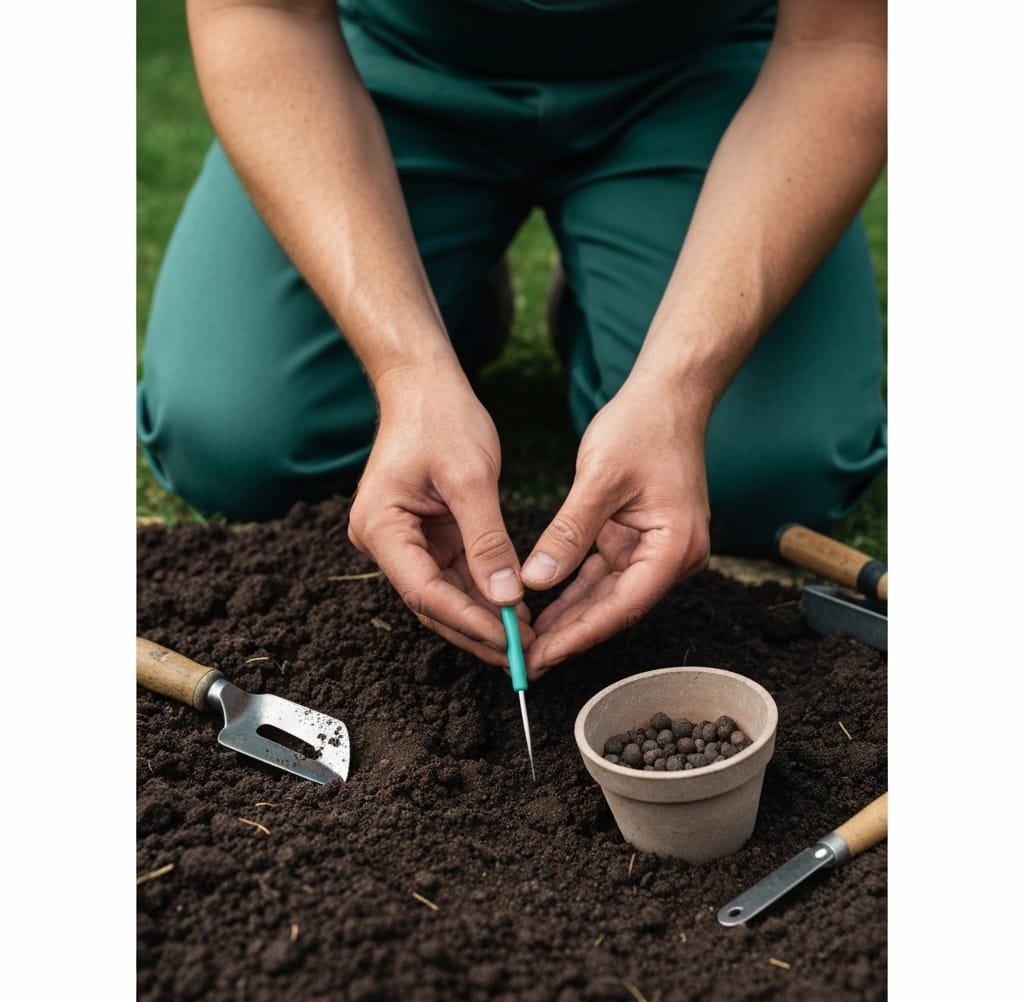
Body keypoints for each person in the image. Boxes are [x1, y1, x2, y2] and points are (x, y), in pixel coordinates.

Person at [137, 0, 887, 679]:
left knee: (757, 470)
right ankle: (448, 296)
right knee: (239, 438)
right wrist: (406, 365)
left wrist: (679, 386)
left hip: (701, 71)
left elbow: (844, 42)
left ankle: (612, 283)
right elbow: (259, 13)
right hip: (393, 58)